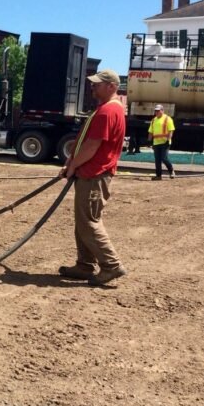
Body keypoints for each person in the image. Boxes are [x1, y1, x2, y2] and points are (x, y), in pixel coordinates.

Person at [58, 69, 128, 287]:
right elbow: (86, 143)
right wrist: (71, 163)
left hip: (95, 174)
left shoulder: (108, 111)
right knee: (83, 222)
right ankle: (85, 265)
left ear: (112, 86)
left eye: (98, 84)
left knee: (89, 222)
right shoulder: (106, 109)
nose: (93, 87)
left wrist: (73, 166)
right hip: (89, 173)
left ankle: (111, 265)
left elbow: (92, 146)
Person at [148, 104, 176, 180]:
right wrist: (149, 141)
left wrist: (168, 140)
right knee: (157, 160)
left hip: (165, 142)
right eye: (155, 111)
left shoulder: (168, 119)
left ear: (162, 111)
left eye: (158, 110)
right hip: (156, 143)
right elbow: (150, 131)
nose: (156, 112)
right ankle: (158, 176)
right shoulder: (154, 120)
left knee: (164, 158)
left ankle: (171, 171)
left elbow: (171, 130)